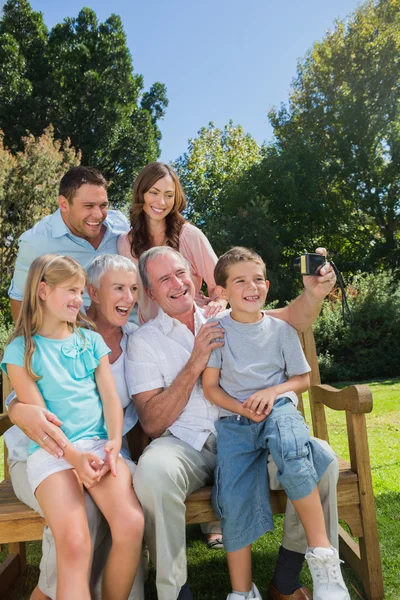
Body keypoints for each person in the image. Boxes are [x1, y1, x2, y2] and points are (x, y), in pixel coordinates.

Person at [125, 246, 340, 600]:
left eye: (181, 273)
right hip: (188, 444)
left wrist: (314, 292)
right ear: (150, 292)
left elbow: (290, 317)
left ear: (196, 279)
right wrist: (195, 360)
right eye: (164, 279)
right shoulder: (144, 341)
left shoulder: (228, 313)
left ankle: (286, 579)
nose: (177, 283)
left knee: (321, 459)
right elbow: (151, 422)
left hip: (251, 433)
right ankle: (175, 593)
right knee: (153, 473)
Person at [202, 247, 350, 600]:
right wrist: (242, 406)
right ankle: (242, 592)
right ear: (222, 292)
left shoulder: (281, 329)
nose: (251, 286)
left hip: (279, 410)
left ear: (267, 285)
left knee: (293, 449)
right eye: (240, 281)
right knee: (234, 496)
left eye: (257, 279)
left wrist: (272, 392)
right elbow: (210, 388)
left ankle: (323, 559)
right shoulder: (216, 331)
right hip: (236, 422)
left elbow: (301, 379)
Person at [2, 255, 144, 600]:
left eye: (80, 291)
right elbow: (41, 419)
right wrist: (73, 456)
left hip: (98, 445)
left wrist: (112, 441)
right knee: (75, 541)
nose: (78, 300)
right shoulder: (20, 350)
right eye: (70, 290)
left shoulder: (89, 340)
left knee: (130, 523)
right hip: (52, 452)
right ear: (42, 291)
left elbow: (110, 398)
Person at [9, 165, 129, 322]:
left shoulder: (121, 226)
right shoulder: (36, 242)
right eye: (88, 206)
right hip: (72, 339)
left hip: (128, 334)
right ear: (64, 204)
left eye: (103, 205)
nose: (99, 215)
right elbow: (20, 300)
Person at [118, 161, 227, 324]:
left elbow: (222, 284)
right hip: (151, 335)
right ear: (141, 193)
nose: (161, 202)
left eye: (169, 195)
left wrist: (218, 303)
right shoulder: (126, 243)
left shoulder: (189, 236)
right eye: (154, 192)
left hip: (194, 328)